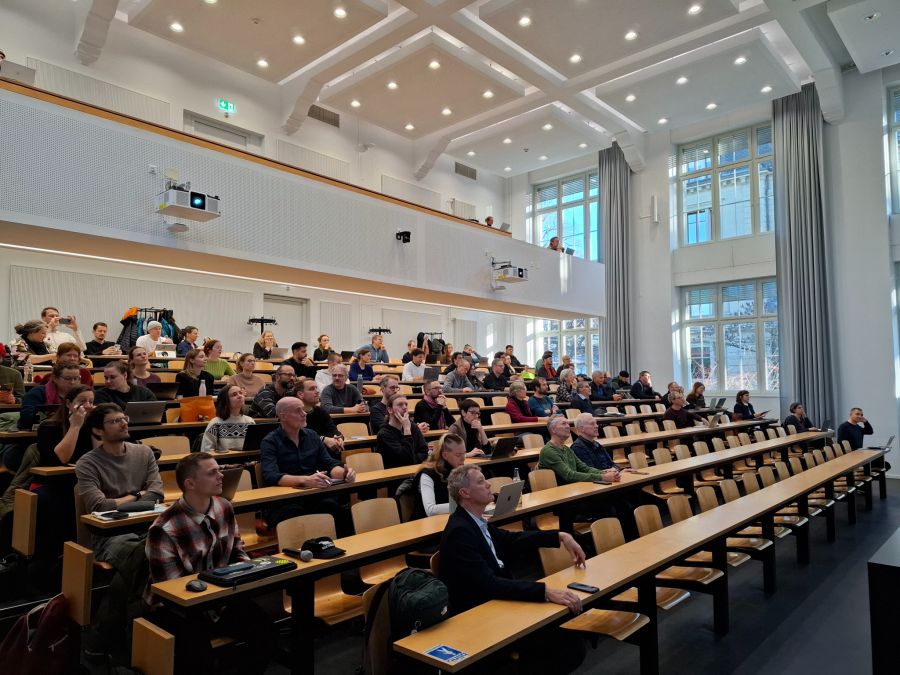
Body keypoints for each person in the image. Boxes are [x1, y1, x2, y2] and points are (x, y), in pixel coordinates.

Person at [438, 464, 587, 674]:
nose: (489, 484)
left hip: (498, 602)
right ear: (465, 493)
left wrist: (560, 536)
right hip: (481, 614)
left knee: (568, 639)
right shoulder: (459, 532)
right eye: (481, 481)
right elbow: (488, 584)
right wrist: (544, 591)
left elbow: (512, 538)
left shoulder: (476, 522)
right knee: (565, 646)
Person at [144, 452, 274, 675]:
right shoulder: (164, 528)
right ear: (190, 483)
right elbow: (172, 591)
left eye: (219, 470)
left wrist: (248, 572)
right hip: (175, 609)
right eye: (212, 472)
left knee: (266, 632)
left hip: (219, 597)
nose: (221, 476)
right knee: (198, 656)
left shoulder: (224, 507)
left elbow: (237, 550)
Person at [76, 404, 164, 564]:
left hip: (147, 525)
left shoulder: (144, 452)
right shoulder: (87, 463)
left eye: (124, 418)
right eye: (115, 421)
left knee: (178, 543)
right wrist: (138, 495)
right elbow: (99, 507)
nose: (124, 424)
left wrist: (119, 503)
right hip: (110, 535)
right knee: (144, 557)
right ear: (98, 431)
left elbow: (156, 494)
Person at [260, 397, 356, 528]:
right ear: (283, 416)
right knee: (296, 513)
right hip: (284, 500)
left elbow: (328, 462)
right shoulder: (269, 441)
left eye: (303, 410)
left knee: (336, 509)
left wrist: (344, 473)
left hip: (312, 495)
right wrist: (305, 480)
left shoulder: (312, 435)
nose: (304, 413)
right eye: (298, 411)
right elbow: (270, 475)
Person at [18, 362, 87, 430]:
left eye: (76, 378)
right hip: (38, 434)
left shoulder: (83, 394)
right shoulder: (37, 393)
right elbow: (26, 418)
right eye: (68, 378)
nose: (73, 382)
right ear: (55, 378)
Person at [413, 433, 467, 518]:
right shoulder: (427, 474)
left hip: (453, 518)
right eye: (458, 455)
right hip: (426, 524)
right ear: (445, 455)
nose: (463, 458)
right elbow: (430, 510)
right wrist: (464, 505)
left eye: (464, 453)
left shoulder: (459, 470)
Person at [376, 394, 429, 468]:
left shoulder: (413, 427)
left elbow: (424, 452)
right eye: (400, 405)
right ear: (390, 410)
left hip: (415, 470)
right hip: (396, 475)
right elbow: (404, 459)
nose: (404, 407)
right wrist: (407, 430)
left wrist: (413, 460)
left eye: (406, 404)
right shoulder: (384, 434)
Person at [295, 377, 344, 455]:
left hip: (326, 458)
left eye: (316, 388)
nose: (317, 391)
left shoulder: (321, 411)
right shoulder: (293, 414)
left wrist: (338, 437)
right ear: (300, 394)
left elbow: (332, 429)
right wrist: (323, 439)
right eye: (311, 389)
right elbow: (300, 436)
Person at [201, 383, 254, 452]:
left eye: (240, 393)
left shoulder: (249, 421)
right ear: (225, 401)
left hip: (247, 461)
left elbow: (254, 448)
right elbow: (206, 451)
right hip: (222, 462)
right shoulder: (215, 423)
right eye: (234, 394)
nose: (240, 396)